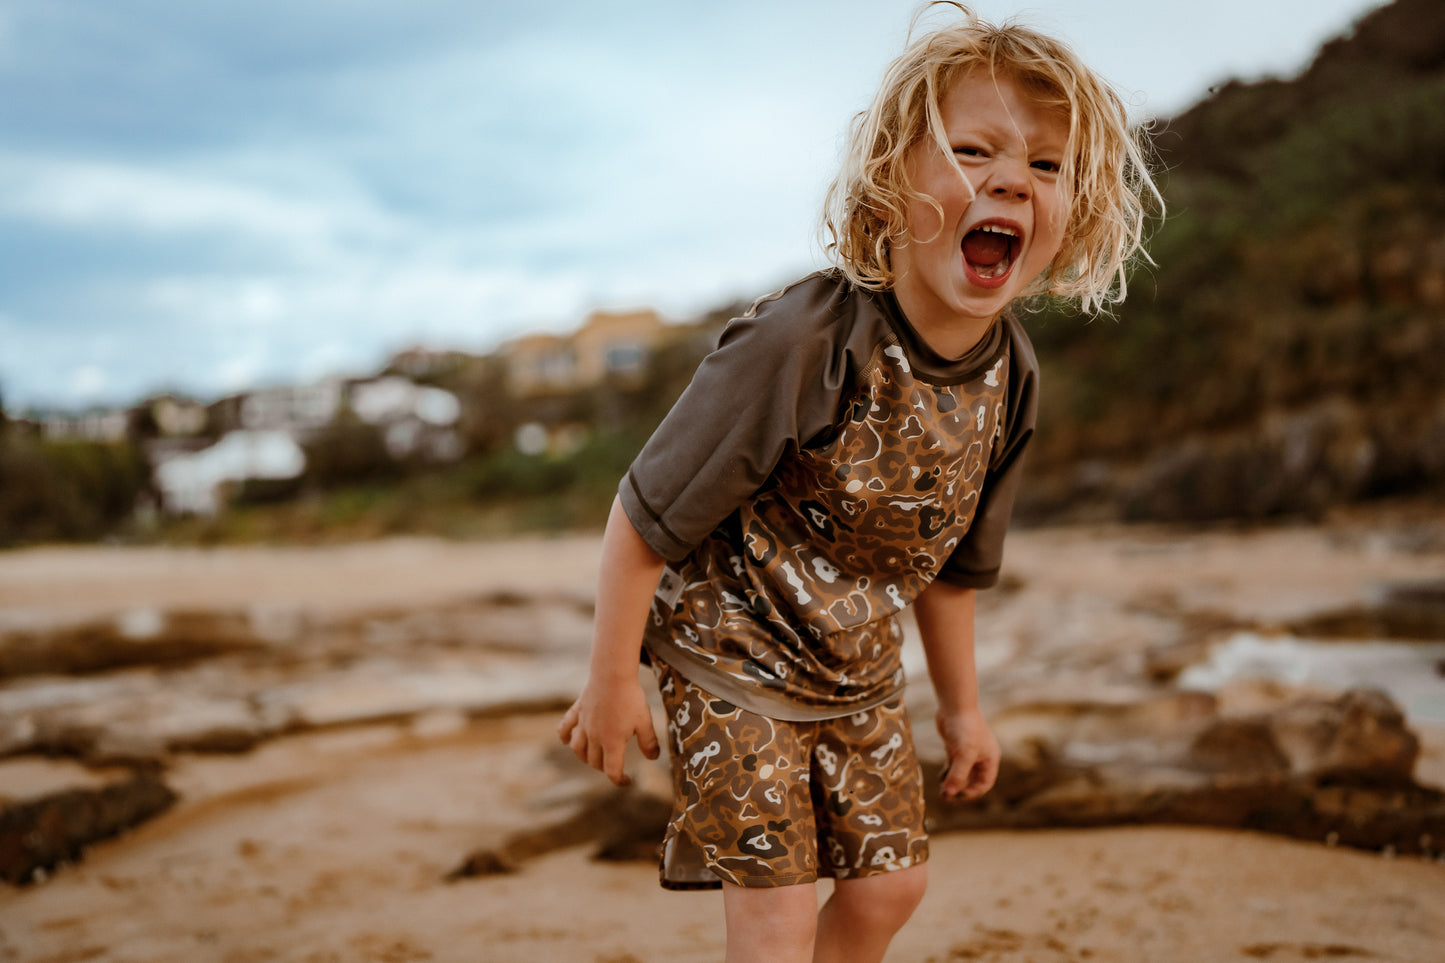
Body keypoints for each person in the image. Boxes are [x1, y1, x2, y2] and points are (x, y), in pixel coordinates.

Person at [558, 3, 1158, 960]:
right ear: (893, 181)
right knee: (779, 909)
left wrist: (962, 710)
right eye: (972, 152)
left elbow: (958, 568)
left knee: (890, 887)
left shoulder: (1013, 375)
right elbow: (646, 509)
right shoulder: (809, 339)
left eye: (1045, 166)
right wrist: (609, 676)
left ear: (1071, 215)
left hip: (857, 673)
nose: (1010, 177)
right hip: (732, 656)